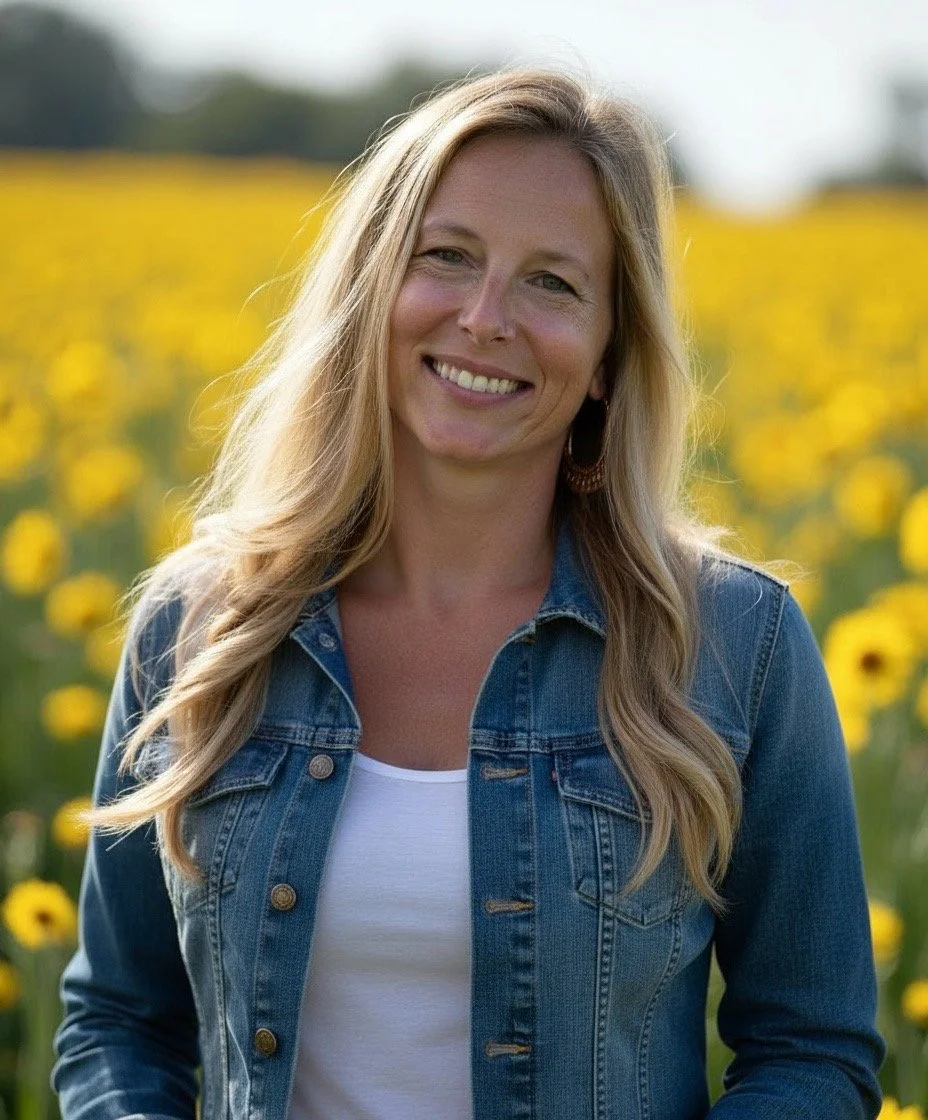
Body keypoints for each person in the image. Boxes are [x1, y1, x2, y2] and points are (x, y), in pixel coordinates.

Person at [52, 67, 885, 1119]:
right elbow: (121, 1021)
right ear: (371, 290)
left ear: (605, 356)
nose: (486, 317)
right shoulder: (198, 626)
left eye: (553, 282)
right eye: (446, 257)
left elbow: (811, 1050)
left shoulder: (734, 645)